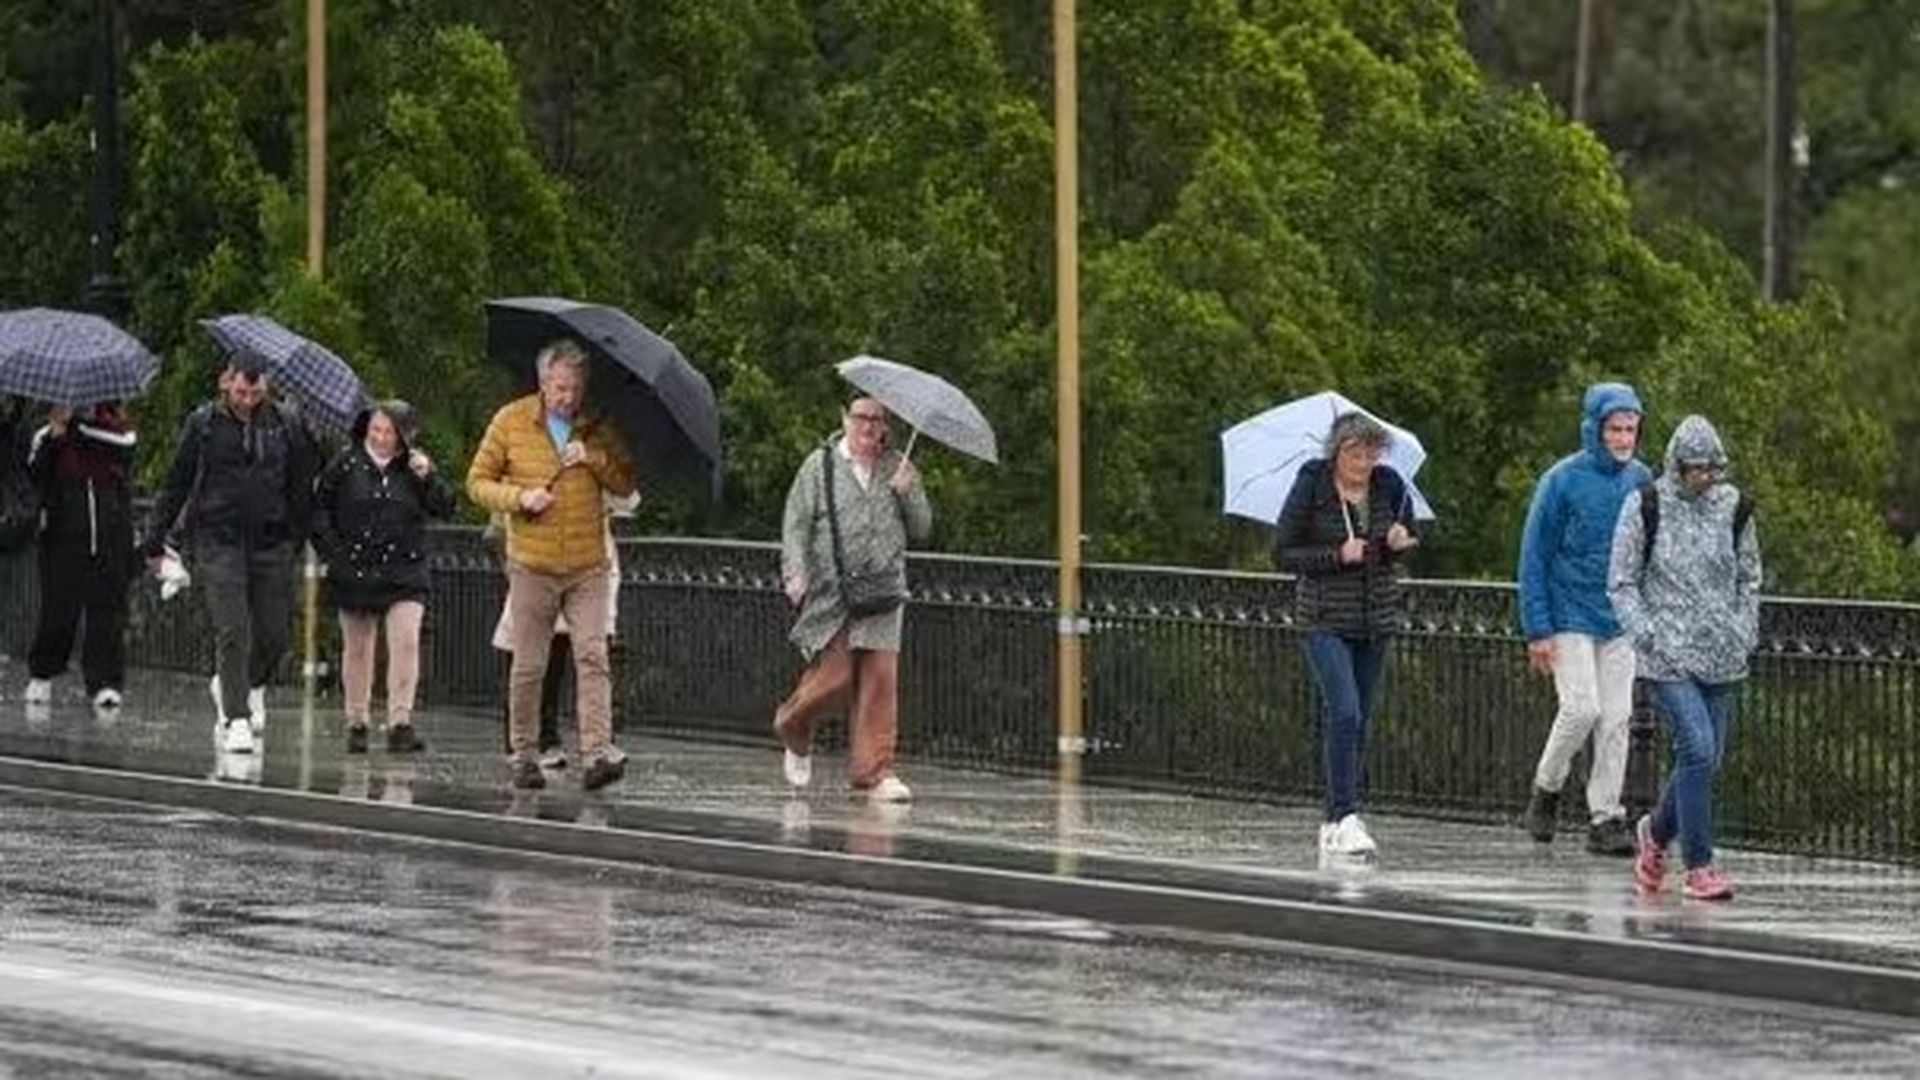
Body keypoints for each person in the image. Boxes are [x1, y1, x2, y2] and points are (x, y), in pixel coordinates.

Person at [467, 339, 637, 791]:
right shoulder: (511, 420)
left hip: (587, 565)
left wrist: (594, 459)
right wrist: (520, 498)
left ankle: (597, 753)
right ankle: (524, 754)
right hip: (533, 562)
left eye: (575, 388)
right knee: (530, 663)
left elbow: (626, 481)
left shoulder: (595, 426)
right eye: (560, 388)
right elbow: (477, 482)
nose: (568, 397)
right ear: (543, 383)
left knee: (592, 654)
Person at [1611, 415, 1761, 902]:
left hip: (1722, 653)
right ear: (1677, 465)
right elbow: (1622, 581)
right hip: (1668, 654)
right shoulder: (1645, 504)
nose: (1704, 477)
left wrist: (1744, 628)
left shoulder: (1735, 507)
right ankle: (1700, 866)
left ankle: (1654, 834)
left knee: (1708, 759)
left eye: (1711, 468)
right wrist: (1646, 632)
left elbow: (1749, 575)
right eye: (1695, 468)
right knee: (1695, 748)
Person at [142, 359, 315, 754]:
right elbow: (177, 482)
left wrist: (297, 534)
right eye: (241, 392)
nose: (248, 400)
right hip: (219, 537)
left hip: (271, 540)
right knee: (232, 626)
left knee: (274, 633)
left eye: (256, 393)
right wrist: (155, 538)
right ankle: (235, 717)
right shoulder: (204, 424)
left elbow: (302, 483)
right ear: (226, 383)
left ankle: (243, 684)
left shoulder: (285, 424)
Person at [1272, 411, 1418, 857]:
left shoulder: (1389, 485)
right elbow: (1282, 552)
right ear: (1337, 452)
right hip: (1324, 617)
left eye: (1372, 453)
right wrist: (1336, 554)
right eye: (1355, 453)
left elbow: (1409, 531)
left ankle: (1334, 820)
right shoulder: (1313, 485)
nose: (1364, 462)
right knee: (1345, 711)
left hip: (1374, 617)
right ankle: (1346, 813)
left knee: (1361, 719)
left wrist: (1399, 540)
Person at [772, 397, 931, 802]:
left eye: (877, 420)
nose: (868, 426)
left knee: (879, 680)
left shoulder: (896, 465)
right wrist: (796, 569)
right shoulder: (820, 465)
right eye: (861, 417)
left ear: (886, 425)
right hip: (834, 590)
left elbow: (922, 528)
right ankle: (793, 726)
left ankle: (873, 773)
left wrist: (908, 493)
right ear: (844, 418)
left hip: (884, 589)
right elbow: (796, 521)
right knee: (836, 676)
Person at [1515, 383, 1651, 855]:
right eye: (1614, 428)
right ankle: (1547, 788)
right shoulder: (1561, 480)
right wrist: (1538, 629)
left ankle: (1605, 817)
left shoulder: (1641, 480)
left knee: (1617, 717)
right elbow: (1534, 555)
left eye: (1630, 429)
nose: (1623, 438)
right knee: (1582, 708)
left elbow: (1652, 550)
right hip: (1568, 610)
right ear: (1595, 429)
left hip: (1620, 615)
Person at [312, 400, 454, 754]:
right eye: (376, 430)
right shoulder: (345, 463)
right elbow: (319, 510)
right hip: (355, 566)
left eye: (390, 432)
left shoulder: (412, 467)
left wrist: (429, 476)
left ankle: (400, 721)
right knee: (358, 647)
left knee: (405, 641)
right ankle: (357, 720)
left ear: (404, 436)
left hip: (404, 567)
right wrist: (334, 553)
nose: (381, 438)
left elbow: (446, 505)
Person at [491, 490, 637, 771]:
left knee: (593, 656)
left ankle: (599, 742)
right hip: (541, 558)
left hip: (590, 563)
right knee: (539, 660)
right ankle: (532, 741)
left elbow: (627, 498)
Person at [22, 401, 137, 710]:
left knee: (108, 610)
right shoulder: (47, 434)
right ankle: (43, 672)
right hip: (62, 535)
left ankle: (105, 682)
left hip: (110, 531)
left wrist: (78, 426)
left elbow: (125, 448)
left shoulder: (116, 428)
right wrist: (57, 434)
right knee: (58, 609)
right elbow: (35, 473)